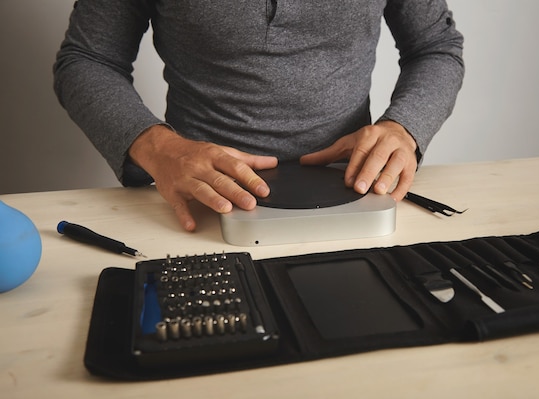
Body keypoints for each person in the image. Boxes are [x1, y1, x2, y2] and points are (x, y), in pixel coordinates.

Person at [54, 0, 464, 232]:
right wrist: (157, 147)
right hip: (198, 205)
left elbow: (435, 45)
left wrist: (405, 126)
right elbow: (87, 59)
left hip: (361, 198)